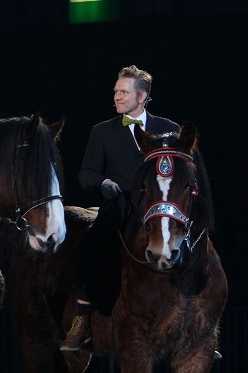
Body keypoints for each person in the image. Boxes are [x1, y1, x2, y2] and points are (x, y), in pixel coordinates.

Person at [61, 65, 179, 351]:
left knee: (195, 241)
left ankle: (197, 323)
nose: (116, 97)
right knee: (93, 244)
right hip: (121, 205)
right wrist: (103, 184)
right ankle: (81, 320)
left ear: (142, 97)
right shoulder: (102, 132)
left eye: (123, 92)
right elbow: (86, 172)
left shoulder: (170, 129)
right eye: (115, 92)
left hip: (160, 206)